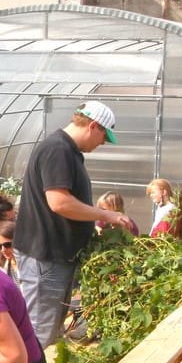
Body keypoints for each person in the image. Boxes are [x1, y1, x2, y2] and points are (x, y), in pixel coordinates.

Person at [13, 101, 133, 347]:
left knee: (48, 330)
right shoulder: (58, 150)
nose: (102, 144)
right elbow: (60, 203)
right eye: (104, 137)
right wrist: (107, 215)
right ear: (93, 126)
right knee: (39, 332)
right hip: (45, 256)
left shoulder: (66, 150)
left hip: (52, 257)